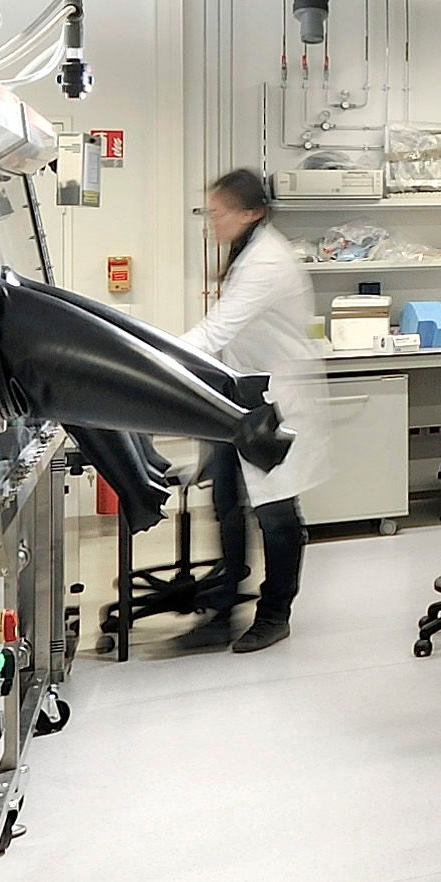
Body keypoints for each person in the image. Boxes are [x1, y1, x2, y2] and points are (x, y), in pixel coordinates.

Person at [180, 168, 331, 653]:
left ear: (251, 213)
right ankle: (222, 610)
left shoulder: (266, 261)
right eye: (208, 212)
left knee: (275, 512)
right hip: (243, 398)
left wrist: (151, 359)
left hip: (276, 403)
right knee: (226, 502)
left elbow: (215, 330)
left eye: (218, 213)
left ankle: (274, 614)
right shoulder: (247, 252)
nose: (212, 222)